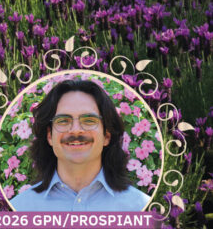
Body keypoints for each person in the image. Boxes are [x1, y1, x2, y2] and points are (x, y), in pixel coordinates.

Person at [11, 79, 148, 211]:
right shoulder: (19, 209)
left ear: (106, 135)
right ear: (49, 136)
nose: (75, 129)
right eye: (63, 120)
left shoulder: (140, 207)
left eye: (89, 120)